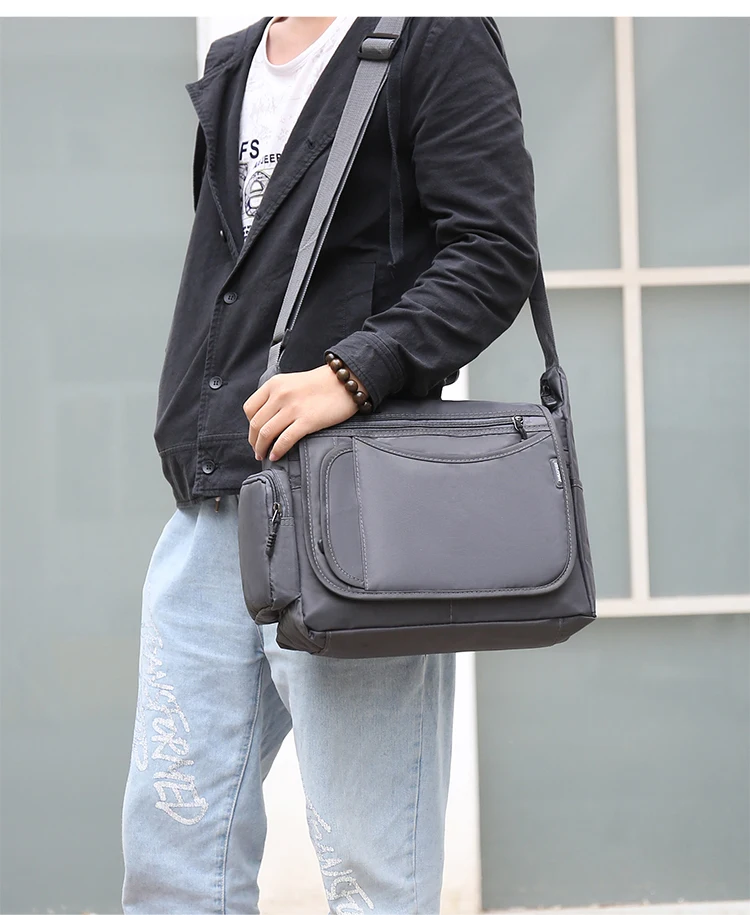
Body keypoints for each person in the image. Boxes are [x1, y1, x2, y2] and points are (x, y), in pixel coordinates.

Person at [120, 15, 539, 915]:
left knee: (369, 871)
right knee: (172, 856)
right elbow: (236, 278)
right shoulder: (234, 60)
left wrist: (354, 372)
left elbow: (494, 253)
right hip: (213, 508)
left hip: (355, 516)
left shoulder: (435, 35)